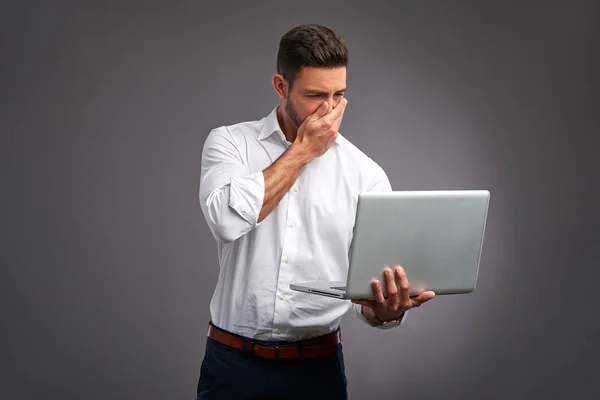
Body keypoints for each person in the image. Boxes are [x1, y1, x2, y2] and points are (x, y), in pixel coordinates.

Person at [196, 24, 435, 400]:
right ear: (281, 87)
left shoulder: (365, 174)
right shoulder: (230, 143)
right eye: (314, 95)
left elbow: (367, 300)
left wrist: (387, 310)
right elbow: (226, 221)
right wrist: (304, 151)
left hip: (316, 371)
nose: (329, 109)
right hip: (232, 366)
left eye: (338, 95)